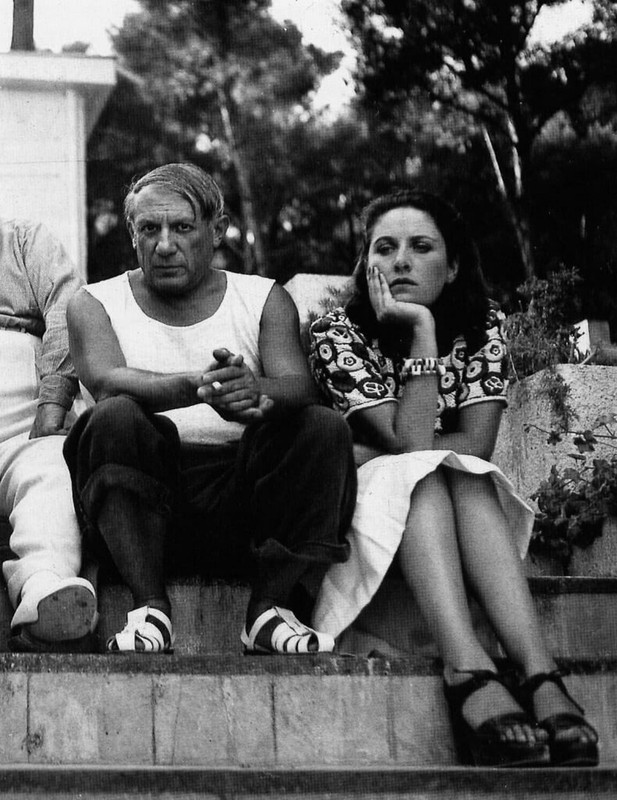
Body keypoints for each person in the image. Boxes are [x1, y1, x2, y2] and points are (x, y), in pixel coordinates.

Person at [308, 190, 599, 768]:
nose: (400, 262)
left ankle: (538, 671)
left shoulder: (483, 325)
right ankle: (466, 664)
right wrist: (421, 331)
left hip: (451, 500)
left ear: (454, 265)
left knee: (464, 475)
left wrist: (392, 443)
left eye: (421, 247)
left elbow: (475, 444)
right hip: (365, 514)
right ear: (365, 264)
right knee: (424, 474)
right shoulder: (335, 333)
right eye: (384, 249)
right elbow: (410, 444)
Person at [63, 162, 355, 655]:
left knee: (321, 426)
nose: (164, 245)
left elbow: (300, 387)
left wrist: (253, 392)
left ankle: (269, 610)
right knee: (112, 417)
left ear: (217, 230)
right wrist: (197, 386)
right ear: (132, 233)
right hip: (135, 512)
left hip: (243, 507)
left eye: (182, 227)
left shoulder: (262, 298)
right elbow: (107, 381)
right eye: (149, 229)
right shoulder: (94, 302)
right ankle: (149, 609)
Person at [0, 218, 98, 652]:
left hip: (23, 407)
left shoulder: (22, 239)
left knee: (51, 467)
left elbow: (67, 309)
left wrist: (54, 400)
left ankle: (45, 589)